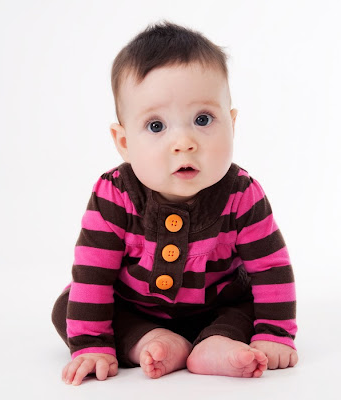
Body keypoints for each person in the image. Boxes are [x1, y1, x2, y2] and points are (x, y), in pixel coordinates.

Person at [52, 21, 298, 386]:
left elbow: (271, 268)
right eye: (156, 126)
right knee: (69, 306)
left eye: (203, 119)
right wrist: (91, 343)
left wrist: (275, 333)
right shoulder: (114, 194)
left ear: (232, 124)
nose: (183, 142)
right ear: (123, 141)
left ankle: (215, 344)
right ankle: (148, 341)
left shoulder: (242, 193)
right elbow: (94, 272)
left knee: (251, 303)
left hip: (217, 306)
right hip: (134, 306)